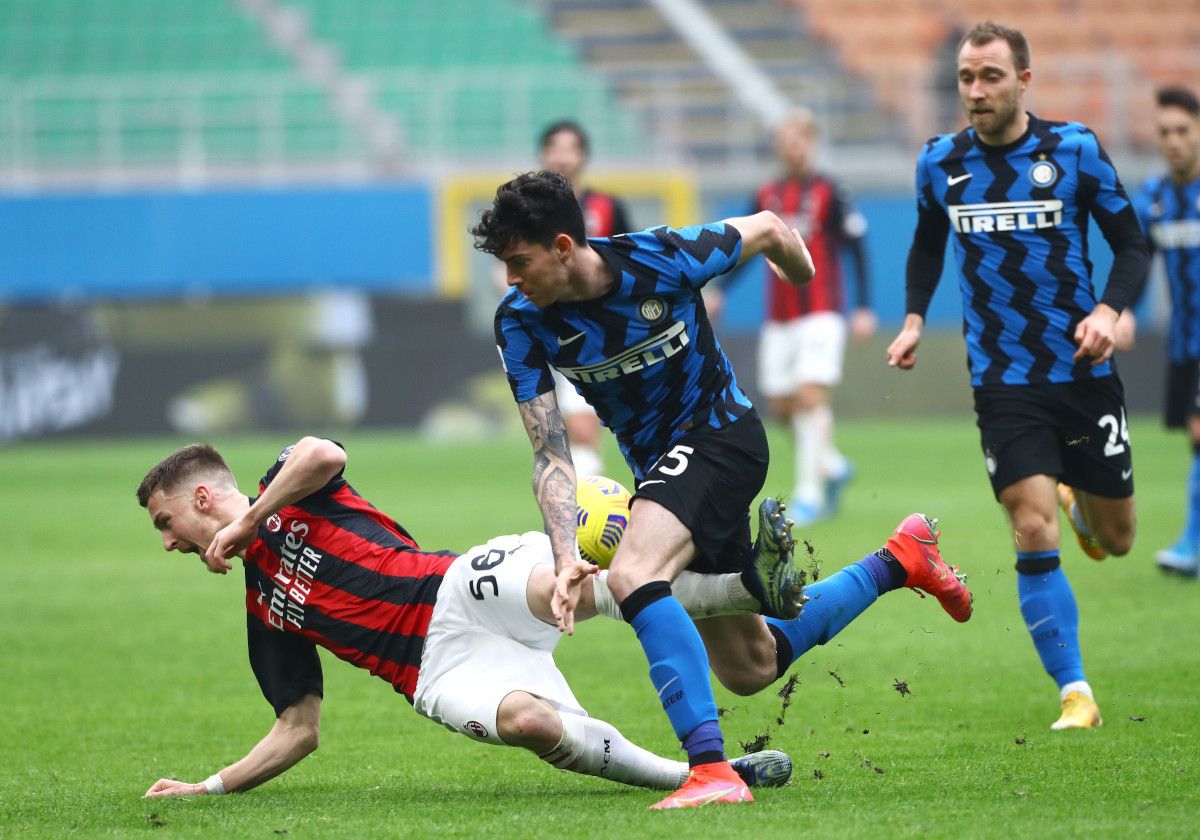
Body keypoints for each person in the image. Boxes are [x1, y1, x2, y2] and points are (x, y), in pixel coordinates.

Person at [474, 171, 973, 807]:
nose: (511, 278)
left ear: (565, 247)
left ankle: (710, 771)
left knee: (632, 574)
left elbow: (767, 228)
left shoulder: (662, 255)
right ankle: (901, 559)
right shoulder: (519, 322)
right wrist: (564, 547)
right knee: (750, 667)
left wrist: (802, 274)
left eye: (520, 261)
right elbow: (550, 452)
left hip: (723, 438)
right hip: (662, 471)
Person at [135, 437, 796, 800]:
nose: (168, 542)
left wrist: (249, 521)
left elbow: (324, 454)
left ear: (202, 497)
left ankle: (745, 586)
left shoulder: (291, 484)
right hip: (434, 671)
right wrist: (208, 788)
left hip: (453, 587)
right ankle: (698, 777)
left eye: (167, 522)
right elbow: (298, 729)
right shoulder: (263, 609)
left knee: (554, 586)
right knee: (531, 723)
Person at [886, 21, 1149, 730]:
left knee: (1116, 538)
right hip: (1003, 379)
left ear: (1023, 81)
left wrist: (1108, 310)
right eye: (967, 78)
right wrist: (913, 318)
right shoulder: (939, 162)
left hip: (1082, 370)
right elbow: (926, 244)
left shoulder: (1074, 150)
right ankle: (1075, 692)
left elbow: (1131, 243)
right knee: (1030, 528)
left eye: (990, 77)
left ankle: (1080, 504)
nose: (975, 90)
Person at [713, 108, 874, 525]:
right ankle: (833, 465)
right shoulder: (766, 195)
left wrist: (863, 307)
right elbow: (747, 251)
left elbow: (856, 247)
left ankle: (809, 495)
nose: (792, 148)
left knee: (809, 397)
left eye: (798, 140)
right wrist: (720, 289)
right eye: (785, 141)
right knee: (782, 405)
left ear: (811, 142)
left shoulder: (831, 191)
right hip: (779, 318)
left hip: (821, 313)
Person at [538, 120, 634, 478]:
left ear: (583, 156)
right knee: (556, 434)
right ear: (544, 155)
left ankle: (592, 512)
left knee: (581, 428)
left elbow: (631, 262)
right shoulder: (532, 212)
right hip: (546, 329)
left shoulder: (608, 207)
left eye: (570, 148)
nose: (562, 156)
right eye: (555, 148)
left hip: (597, 330)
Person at [1135, 86, 1200, 578]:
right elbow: (1138, 263)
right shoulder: (1155, 198)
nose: (1173, 141)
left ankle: (1190, 544)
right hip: (1183, 344)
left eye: (1183, 130)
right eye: (1164, 133)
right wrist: (1121, 314)